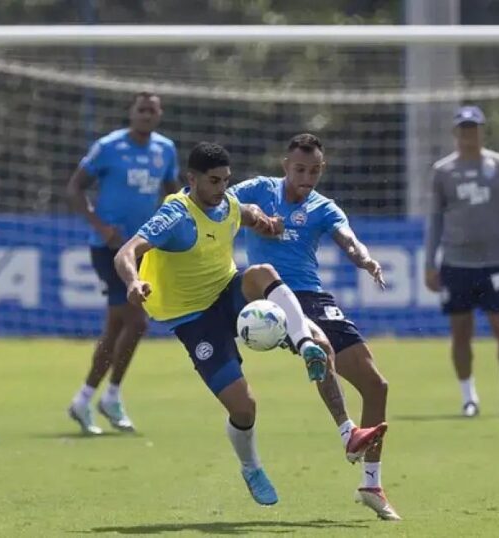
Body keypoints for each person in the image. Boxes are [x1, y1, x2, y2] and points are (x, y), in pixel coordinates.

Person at [114, 142, 386, 506]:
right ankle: (251, 466)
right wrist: (133, 282)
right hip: (193, 317)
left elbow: (247, 213)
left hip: (227, 291)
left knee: (264, 276)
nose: (220, 189)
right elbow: (126, 252)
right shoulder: (176, 215)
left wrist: (267, 222)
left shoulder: (226, 203)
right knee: (243, 408)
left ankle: (309, 351)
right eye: (213, 181)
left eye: (226, 181)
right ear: (192, 180)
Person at [229, 133, 400, 520]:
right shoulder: (259, 189)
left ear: (321, 170)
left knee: (377, 385)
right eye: (299, 169)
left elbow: (349, 241)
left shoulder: (324, 208)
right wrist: (254, 217)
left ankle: (371, 483)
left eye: (313, 171)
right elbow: (222, 203)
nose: (305, 177)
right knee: (318, 346)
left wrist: (366, 260)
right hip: (271, 297)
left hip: (316, 299)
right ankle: (347, 431)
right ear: (285, 166)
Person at [65, 91, 181, 434]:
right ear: (131, 112)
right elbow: (74, 188)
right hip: (110, 248)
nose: (146, 115)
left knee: (118, 326)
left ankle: (86, 399)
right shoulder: (109, 147)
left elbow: (173, 192)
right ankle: (108, 396)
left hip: (141, 249)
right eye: (141, 109)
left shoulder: (165, 149)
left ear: (158, 115)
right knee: (137, 321)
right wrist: (101, 226)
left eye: (152, 111)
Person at [424, 105, 499, 419]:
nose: (469, 134)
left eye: (474, 128)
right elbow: (434, 220)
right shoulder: (443, 171)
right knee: (460, 331)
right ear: (456, 133)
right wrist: (430, 262)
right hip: (456, 263)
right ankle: (468, 398)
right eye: (464, 128)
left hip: (496, 262)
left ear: (482, 131)